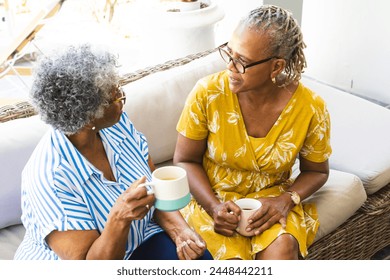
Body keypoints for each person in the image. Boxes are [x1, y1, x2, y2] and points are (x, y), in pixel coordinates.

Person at [14, 44, 212, 260]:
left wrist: (180, 231)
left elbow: (156, 189)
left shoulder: (116, 125)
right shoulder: (51, 179)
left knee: (200, 261)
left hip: (139, 241)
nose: (121, 99)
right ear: (88, 114)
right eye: (113, 97)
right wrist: (119, 218)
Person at [174, 5, 332, 260]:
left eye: (243, 62)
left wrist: (286, 200)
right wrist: (214, 207)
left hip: (272, 202)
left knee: (283, 250)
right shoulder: (208, 93)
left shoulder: (311, 108)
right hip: (212, 200)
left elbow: (317, 171)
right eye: (229, 53)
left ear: (276, 66)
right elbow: (184, 160)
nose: (231, 67)